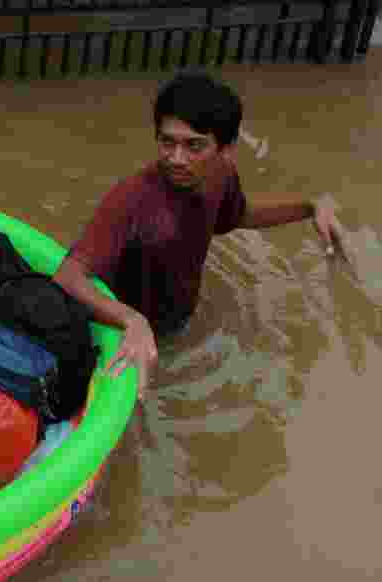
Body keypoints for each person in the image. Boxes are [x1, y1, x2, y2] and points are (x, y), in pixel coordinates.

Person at [52, 71, 344, 401]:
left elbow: (238, 216)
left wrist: (308, 207)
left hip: (177, 320)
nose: (176, 158)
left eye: (194, 146)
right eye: (167, 142)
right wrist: (131, 320)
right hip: (123, 333)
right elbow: (67, 277)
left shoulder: (222, 174)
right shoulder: (130, 199)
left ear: (227, 149)